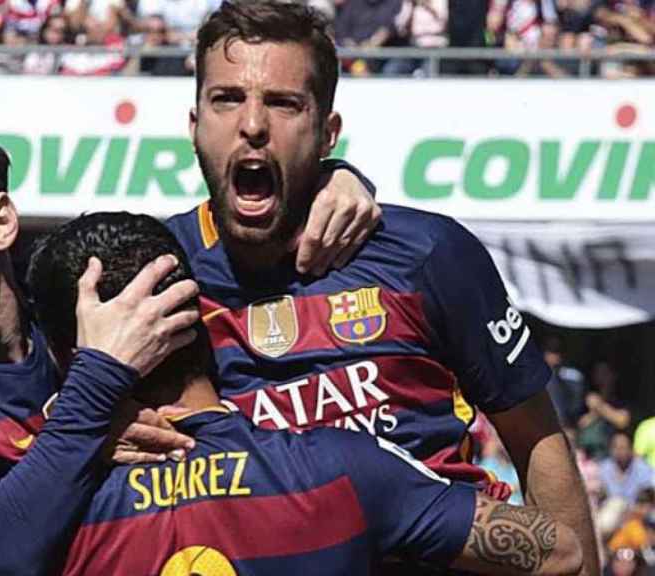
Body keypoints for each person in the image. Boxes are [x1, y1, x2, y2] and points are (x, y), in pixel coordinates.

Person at [0, 109, 379, 574]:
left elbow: (237, 235)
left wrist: (334, 183)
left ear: (0, 222)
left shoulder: (76, 295)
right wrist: (93, 402)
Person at [162, 1, 600, 573]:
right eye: (226, 99)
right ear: (194, 125)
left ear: (327, 134)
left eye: (284, 103)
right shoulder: (157, 276)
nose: (252, 125)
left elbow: (536, 438)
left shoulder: (428, 253)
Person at [27, 210, 583, 576]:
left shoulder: (45, 509)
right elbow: (561, 552)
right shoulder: (343, 469)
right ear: (203, 320)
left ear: (63, 356)